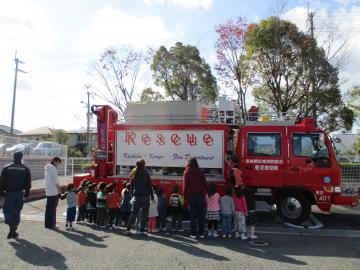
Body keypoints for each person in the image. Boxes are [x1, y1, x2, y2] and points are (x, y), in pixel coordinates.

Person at [0, 152, 31, 239]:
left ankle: (11, 226)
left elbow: (1, 182)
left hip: (9, 193)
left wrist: (1, 194)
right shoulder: (25, 169)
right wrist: (27, 194)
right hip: (20, 194)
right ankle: (13, 230)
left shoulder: (6, 167)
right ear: (22, 158)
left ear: (13, 157)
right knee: (17, 211)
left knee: (7, 211)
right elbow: (28, 183)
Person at [125, 159, 154, 236]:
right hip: (145, 196)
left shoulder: (134, 175)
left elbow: (131, 187)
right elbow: (149, 186)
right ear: (144, 165)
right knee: (144, 214)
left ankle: (128, 229)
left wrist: (132, 196)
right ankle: (141, 230)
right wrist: (152, 197)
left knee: (133, 213)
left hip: (136, 196)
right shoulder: (146, 174)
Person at [182, 157, 207, 239]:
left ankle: (193, 233)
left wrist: (184, 198)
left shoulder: (187, 172)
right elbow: (205, 184)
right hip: (201, 196)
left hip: (192, 196)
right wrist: (209, 194)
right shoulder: (201, 172)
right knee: (201, 216)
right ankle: (201, 233)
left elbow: (185, 187)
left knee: (192, 216)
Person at [44, 156, 62, 229]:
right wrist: (59, 190)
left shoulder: (47, 168)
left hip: (48, 190)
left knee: (48, 209)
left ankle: (47, 224)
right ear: (55, 161)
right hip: (54, 191)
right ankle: (52, 224)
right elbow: (56, 181)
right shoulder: (53, 168)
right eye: (58, 163)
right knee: (53, 209)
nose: (58, 165)